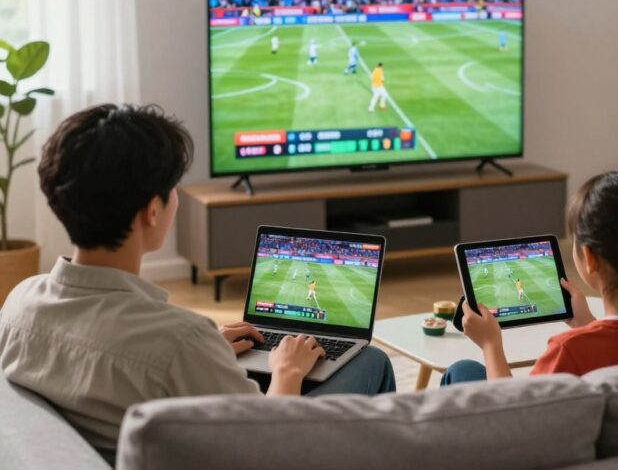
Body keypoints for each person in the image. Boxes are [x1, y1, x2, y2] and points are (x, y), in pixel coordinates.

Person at [0, 104, 395, 459]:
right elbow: (267, 444)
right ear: (152, 210)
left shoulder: (19, 302)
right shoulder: (181, 341)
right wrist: (287, 371)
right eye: (172, 187)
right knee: (371, 361)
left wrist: (209, 352)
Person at [441, 169, 618, 383]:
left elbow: (517, 413)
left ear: (590, 257)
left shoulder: (569, 351)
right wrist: (587, 324)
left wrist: (491, 345)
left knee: (461, 371)